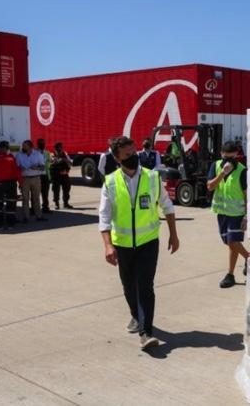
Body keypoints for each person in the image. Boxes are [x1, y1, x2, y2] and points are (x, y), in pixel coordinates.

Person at [98, 136, 180, 350]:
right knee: (128, 285)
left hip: (148, 242)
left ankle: (146, 332)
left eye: (134, 152)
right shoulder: (110, 182)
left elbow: (167, 206)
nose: (133, 157)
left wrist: (173, 234)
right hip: (123, 245)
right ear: (117, 158)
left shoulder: (152, 177)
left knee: (145, 286)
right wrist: (108, 245)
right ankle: (136, 315)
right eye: (127, 154)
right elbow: (104, 217)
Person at [207, 141, 249, 288]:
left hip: (237, 213)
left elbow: (247, 195)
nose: (229, 161)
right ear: (221, 154)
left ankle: (234, 271)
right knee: (229, 242)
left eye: (232, 158)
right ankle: (245, 262)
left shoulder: (242, 171)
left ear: (236, 155)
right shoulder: (216, 166)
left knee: (232, 242)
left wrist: (246, 217)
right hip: (222, 212)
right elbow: (210, 186)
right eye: (226, 157)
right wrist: (223, 173)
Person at [16, 140, 48, 223]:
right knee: (25, 198)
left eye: (24, 145)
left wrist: (37, 167)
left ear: (30, 146)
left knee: (36, 198)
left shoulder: (38, 154)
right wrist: (20, 168)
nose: (23, 147)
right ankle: (26, 217)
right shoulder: (19, 155)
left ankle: (39, 216)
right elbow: (16, 167)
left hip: (36, 178)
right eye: (23, 145)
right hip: (24, 179)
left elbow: (43, 167)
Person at [51, 142, 73, 209]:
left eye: (60, 147)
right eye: (58, 148)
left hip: (64, 175)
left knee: (66, 189)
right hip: (56, 176)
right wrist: (57, 160)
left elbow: (70, 163)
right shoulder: (52, 154)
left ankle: (66, 203)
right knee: (56, 190)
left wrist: (64, 160)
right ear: (55, 149)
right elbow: (52, 163)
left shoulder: (65, 154)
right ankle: (56, 204)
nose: (59, 149)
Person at [36, 139, 52, 214]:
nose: (42, 144)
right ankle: (34, 208)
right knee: (36, 193)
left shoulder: (47, 152)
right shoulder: (35, 152)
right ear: (38, 144)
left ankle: (45, 207)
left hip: (45, 175)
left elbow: (49, 161)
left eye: (43, 143)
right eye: (40, 143)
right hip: (37, 175)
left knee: (45, 193)